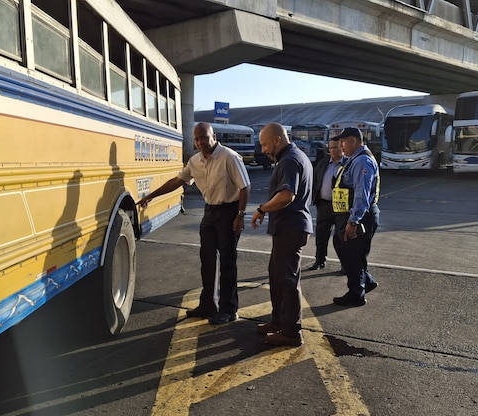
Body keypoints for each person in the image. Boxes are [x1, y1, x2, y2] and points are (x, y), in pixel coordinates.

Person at [137, 122, 250, 325]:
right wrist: (151, 195)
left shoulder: (229, 157)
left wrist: (240, 216)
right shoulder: (195, 161)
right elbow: (177, 180)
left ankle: (228, 309)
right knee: (207, 259)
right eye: (197, 139)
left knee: (227, 260)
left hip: (229, 212)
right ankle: (208, 305)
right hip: (210, 212)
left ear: (213, 136)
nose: (200, 142)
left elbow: (245, 187)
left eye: (204, 137)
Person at [250, 122, 313, 347]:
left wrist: (262, 209)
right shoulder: (296, 156)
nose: (264, 150)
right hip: (288, 228)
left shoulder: (289, 160)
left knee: (287, 280)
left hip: (290, 228)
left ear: (277, 139)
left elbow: (287, 195)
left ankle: (291, 332)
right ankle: (279, 321)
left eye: (266, 144)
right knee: (278, 277)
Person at [330, 127, 380, 307]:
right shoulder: (354, 160)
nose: (340, 146)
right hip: (351, 215)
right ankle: (366, 282)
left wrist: (353, 221)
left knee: (353, 255)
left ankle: (356, 294)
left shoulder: (362, 162)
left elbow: (362, 194)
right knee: (347, 251)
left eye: (343, 142)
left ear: (352, 141)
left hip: (360, 217)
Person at [308, 137, 346, 274]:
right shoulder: (323, 164)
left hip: (341, 207)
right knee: (321, 235)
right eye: (330, 148)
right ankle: (319, 260)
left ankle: (344, 264)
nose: (332, 150)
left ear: (342, 147)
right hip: (323, 205)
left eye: (335, 147)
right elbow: (314, 181)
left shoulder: (347, 164)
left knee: (340, 238)